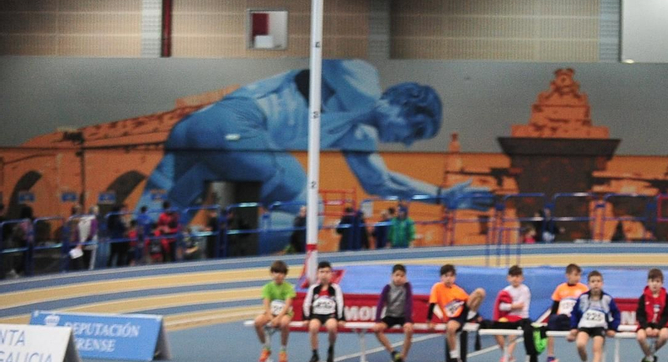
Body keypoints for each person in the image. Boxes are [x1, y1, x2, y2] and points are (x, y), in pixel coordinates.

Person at [141, 60, 492, 251]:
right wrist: (371, 107)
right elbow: (327, 62)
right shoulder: (365, 79)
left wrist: (443, 196)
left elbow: (382, 183)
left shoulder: (357, 134)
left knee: (157, 218)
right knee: (307, 204)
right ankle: (234, 260)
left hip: (197, 132)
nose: (409, 143)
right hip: (235, 122)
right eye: (414, 131)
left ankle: (142, 257)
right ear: (402, 104)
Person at [429, 263, 486, 362]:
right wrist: (429, 319)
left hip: (464, 310)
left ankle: (472, 314)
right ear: (441, 277)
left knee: (480, 292)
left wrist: (477, 316)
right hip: (453, 317)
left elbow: (468, 301)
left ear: (454, 277)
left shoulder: (458, 290)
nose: (448, 278)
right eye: (446, 276)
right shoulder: (437, 287)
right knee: (450, 329)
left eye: (451, 276)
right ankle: (455, 358)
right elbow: (432, 304)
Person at [538, 263, 588, 362]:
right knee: (549, 328)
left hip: (574, 318)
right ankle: (550, 356)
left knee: (579, 326)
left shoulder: (584, 289)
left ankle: (573, 335)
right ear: (568, 275)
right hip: (561, 318)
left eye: (579, 275)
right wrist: (550, 320)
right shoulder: (560, 288)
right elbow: (555, 306)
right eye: (575, 275)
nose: (577, 278)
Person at [571, 270, 619, 362]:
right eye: (593, 281)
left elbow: (616, 314)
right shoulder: (583, 298)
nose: (595, 284)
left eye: (598, 281)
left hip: (600, 326)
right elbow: (574, 313)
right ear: (588, 284)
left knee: (596, 347)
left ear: (602, 283)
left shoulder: (607, 299)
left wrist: (613, 328)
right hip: (585, 325)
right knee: (580, 344)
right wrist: (573, 327)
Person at [488, 264, 536, 362]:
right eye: (512, 276)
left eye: (517, 276)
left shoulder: (524, 290)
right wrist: (511, 306)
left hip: (522, 318)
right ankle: (507, 355)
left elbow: (521, 306)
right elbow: (501, 307)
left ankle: (506, 356)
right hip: (508, 317)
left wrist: (509, 305)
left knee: (512, 334)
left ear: (522, 278)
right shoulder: (505, 291)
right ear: (508, 278)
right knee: (495, 330)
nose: (515, 279)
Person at [253, 259, 296, 362]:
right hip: (271, 313)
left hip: (284, 314)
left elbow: (287, 305)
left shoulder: (288, 287)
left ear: (285, 275)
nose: (278, 275)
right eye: (276, 272)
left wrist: (278, 318)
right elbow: (266, 304)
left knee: (285, 323)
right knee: (257, 321)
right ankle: (266, 347)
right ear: (272, 273)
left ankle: (283, 350)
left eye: (281, 273)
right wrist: (271, 317)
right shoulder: (267, 287)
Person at [372, 263, 416, 362]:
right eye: (397, 275)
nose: (399, 278)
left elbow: (409, 303)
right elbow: (380, 304)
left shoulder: (407, 287)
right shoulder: (387, 287)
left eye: (402, 276)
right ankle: (393, 353)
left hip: (403, 316)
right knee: (376, 329)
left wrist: (408, 320)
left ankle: (403, 357)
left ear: (405, 277)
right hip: (390, 316)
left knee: (409, 330)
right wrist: (377, 320)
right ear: (392, 276)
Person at [635, 267, 668, 362]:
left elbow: (667, 315)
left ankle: (648, 355)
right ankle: (651, 358)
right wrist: (646, 327)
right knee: (640, 337)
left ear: (662, 283)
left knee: (664, 336)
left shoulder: (666, 297)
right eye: (652, 281)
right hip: (646, 324)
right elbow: (640, 315)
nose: (655, 284)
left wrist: (658, 327)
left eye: (657, 281)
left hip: (660, 324)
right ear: (648, 282)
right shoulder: (643, 297)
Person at [304, 260, 344, 362]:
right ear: (317, 274)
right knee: (313, 327)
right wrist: (306, 318)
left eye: (327, 272)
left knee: (331, 327)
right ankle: (315, 353)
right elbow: (307, 303)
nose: (324, 275)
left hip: (330, 314)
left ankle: (331, 348)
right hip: (316, 314)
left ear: (331, 274)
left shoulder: (335, 288)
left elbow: (340, 303)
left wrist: (341, 319)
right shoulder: (313, 289)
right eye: (321, 272)